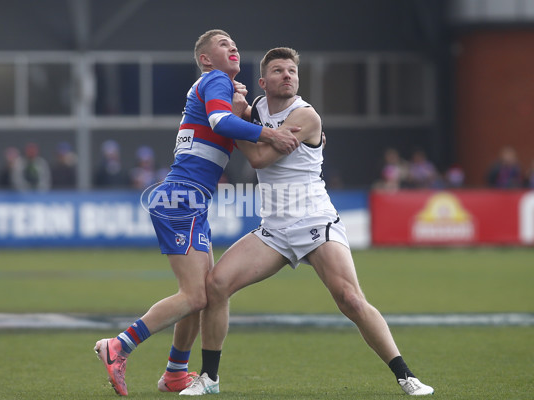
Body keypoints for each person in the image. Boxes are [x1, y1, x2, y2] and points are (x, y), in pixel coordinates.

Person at [180, 47, 434, 396]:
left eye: (292, 72)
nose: (287, 76)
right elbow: (248, 126)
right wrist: (240, 115)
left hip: (314, 220)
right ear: (263, 81)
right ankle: (209, 379)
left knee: (350, 299)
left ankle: (406, 376)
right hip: (273, 229)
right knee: (216, 286)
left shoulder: (306, 115)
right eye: (279, 71)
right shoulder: (258, 108)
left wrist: (236, 120)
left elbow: (259, 159)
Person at [93, 30, 299, 397]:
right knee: (196, 297)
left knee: (201, 292)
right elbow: (222, 124)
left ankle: (176, 373)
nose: (233, 46)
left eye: (234, 42)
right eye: (223, 44)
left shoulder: (214, 86)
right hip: (182, 198)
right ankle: (120, 346)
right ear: (206, 59)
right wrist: (272, 136)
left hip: (189, 199)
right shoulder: (216, 79)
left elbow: (231, 121)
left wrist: (274, 125)